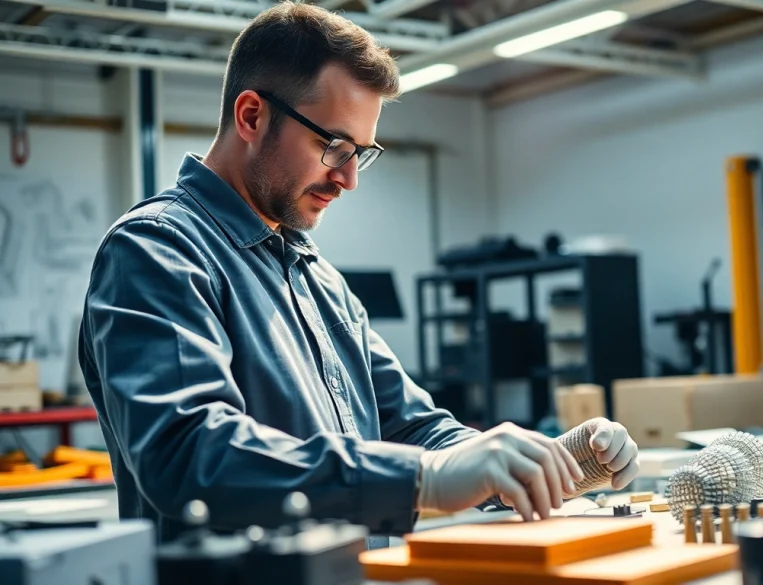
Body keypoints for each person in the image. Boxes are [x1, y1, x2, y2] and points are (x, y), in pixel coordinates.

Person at [78, 1, 639, 544]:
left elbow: (410, 427)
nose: (348, 179)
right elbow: (187, 453)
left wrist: (538, 462)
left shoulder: (316, 278)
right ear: (252, 115)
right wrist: (420, 480)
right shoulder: (158, 251)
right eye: (334, 146)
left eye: (361, 153)